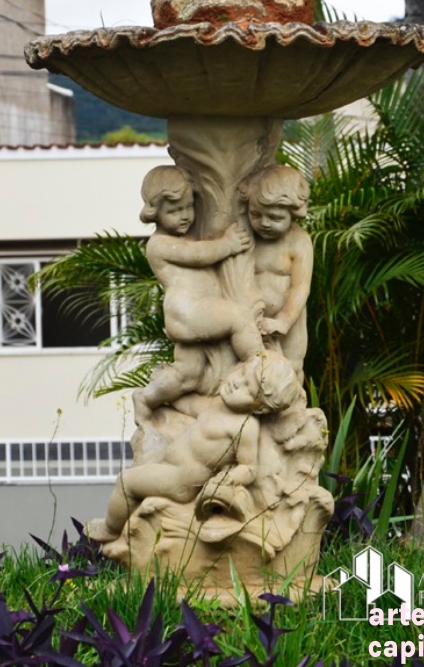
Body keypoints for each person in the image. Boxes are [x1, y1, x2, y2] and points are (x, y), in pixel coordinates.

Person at [87, 351, 302, 542]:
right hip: (169, 462)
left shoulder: (245, 427)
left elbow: (249, 466)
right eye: (242, 374)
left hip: (180, 480)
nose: (237, 383)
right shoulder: (218, 404)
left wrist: (231, 478)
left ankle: (111, 529)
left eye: (248, 388)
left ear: (260, 408)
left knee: (126, 482)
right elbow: (188, 405)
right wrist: (158, 396)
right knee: (155, 431)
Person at [134, 166, 265, 419]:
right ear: (154, 212)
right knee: (239, 317)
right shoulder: (159, 244)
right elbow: (198, 255)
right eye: (174, 211)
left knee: (187, 375)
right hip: (189, 311)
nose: (184, 216)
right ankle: (259, 365)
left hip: (195, 313)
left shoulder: (190, 234)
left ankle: (147, 398)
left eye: (188, 207)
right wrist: (228, 244)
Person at [239, 165, 313, 378]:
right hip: (251, 320)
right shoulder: (246, 237)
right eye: (255, 214)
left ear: (294, 212)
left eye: (275, 217)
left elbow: (300, 286)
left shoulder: (298, 241)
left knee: (292, 368)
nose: (264, 223)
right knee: (251, 371)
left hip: (289, 321)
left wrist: (283, 321)